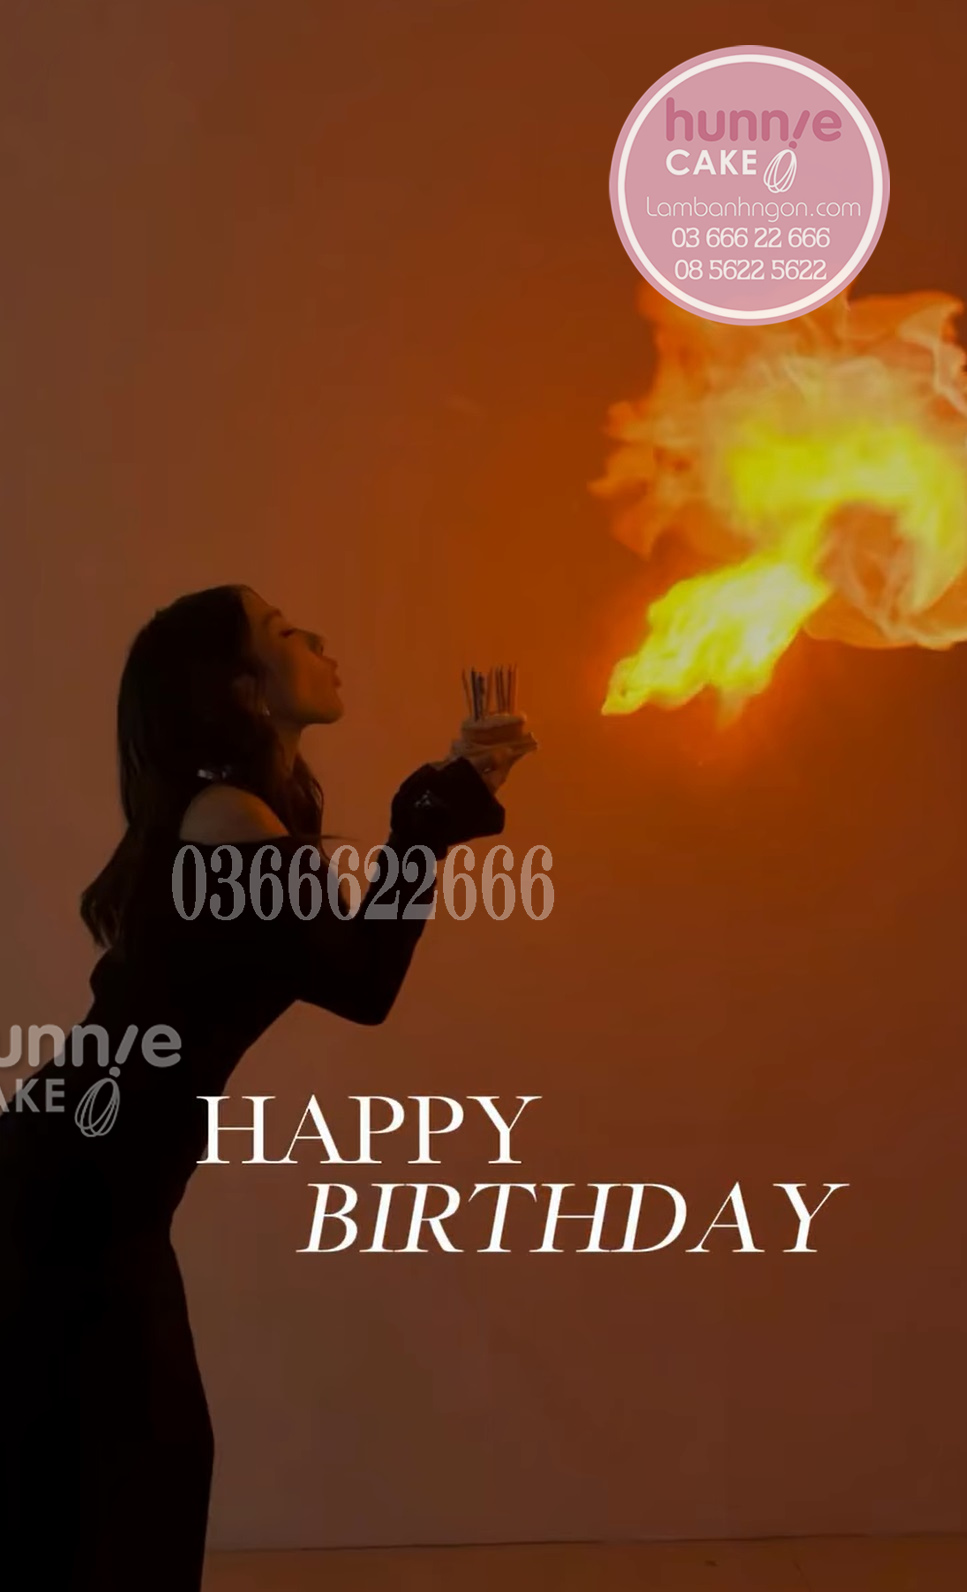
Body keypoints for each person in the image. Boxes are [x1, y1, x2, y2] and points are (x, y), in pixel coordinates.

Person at [0, 583, 534, 1591]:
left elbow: (352, 965)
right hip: (68, 1203)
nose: (319, 639)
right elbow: (362, 982)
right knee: (128, 1481)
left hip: (84, 1195)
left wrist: (441, 801)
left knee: (108, 1483)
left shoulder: (235, 814)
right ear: (243, 690)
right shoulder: (226, 820)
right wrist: (427, 818)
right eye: (284, 632)